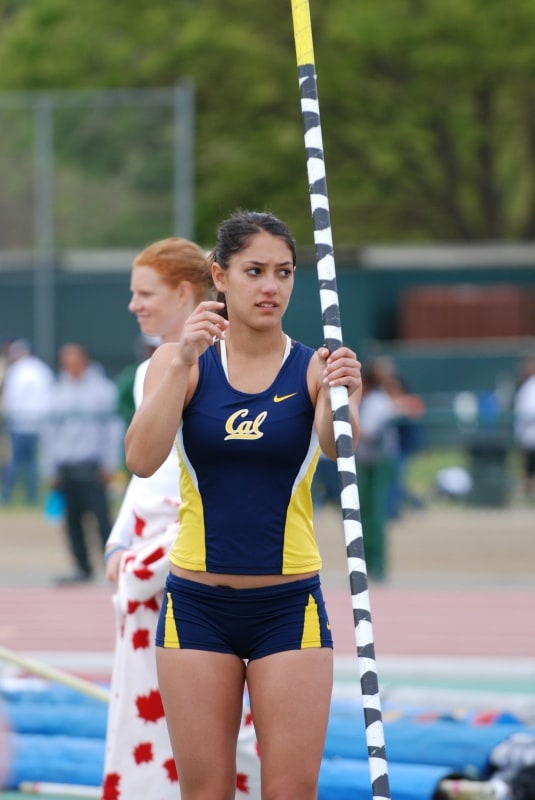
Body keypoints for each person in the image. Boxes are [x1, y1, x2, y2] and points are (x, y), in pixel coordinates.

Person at [125, 210, 362, 799]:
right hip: (196, 609)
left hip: (289, 609)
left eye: (283, 272)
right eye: (254, 271)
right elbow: (140, 458)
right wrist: (180, 361)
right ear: (219, 276)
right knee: (206, 792)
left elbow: (340, 448)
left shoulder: (315, 369)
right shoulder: (178, 362)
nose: (270, 286)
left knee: (289, 791)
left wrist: (345, 393)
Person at [101, 237, 261, 800]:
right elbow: (145, 468)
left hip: (192, 562)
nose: (133, 305)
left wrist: (152, 559)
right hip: (149, 564)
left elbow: (212, 480)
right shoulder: (155, 370)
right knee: (148, 716)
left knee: (212, 722)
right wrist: (120, 545)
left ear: (185, 293)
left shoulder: (234, 365)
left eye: (144, 293)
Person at [42, 343, 123, 585]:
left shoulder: (103, 390)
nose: (69, 362)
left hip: (93, 465)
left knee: (102, 519)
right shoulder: (57, 391)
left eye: (73, 357)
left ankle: (112, 565)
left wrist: (110, 463)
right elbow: (49, 432)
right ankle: (82, 566)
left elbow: (112, 430)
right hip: (67, 465)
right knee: (72, 521)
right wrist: (50, 467)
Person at [354, 360, 398, 580]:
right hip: (367, 462)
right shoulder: (371, 400)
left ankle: (377, 564)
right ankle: (369, 563)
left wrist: (348, 426)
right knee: (365, 514)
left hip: (377, 464)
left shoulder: (377, 401)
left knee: (375, 514)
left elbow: (369, 432)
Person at [1, 339, 54, 505]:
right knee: (33, 463)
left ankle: (8, 497)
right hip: (41, 423)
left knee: (17, 461)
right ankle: (32, 497)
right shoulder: (42, 369)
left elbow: (12, 397)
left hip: (20, 422)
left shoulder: (18, 370)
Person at [513, 356, 535, 499]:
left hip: (530, 433)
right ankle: (527, 495)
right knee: (528, 468)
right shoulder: (526, 386)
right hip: (528, 435)